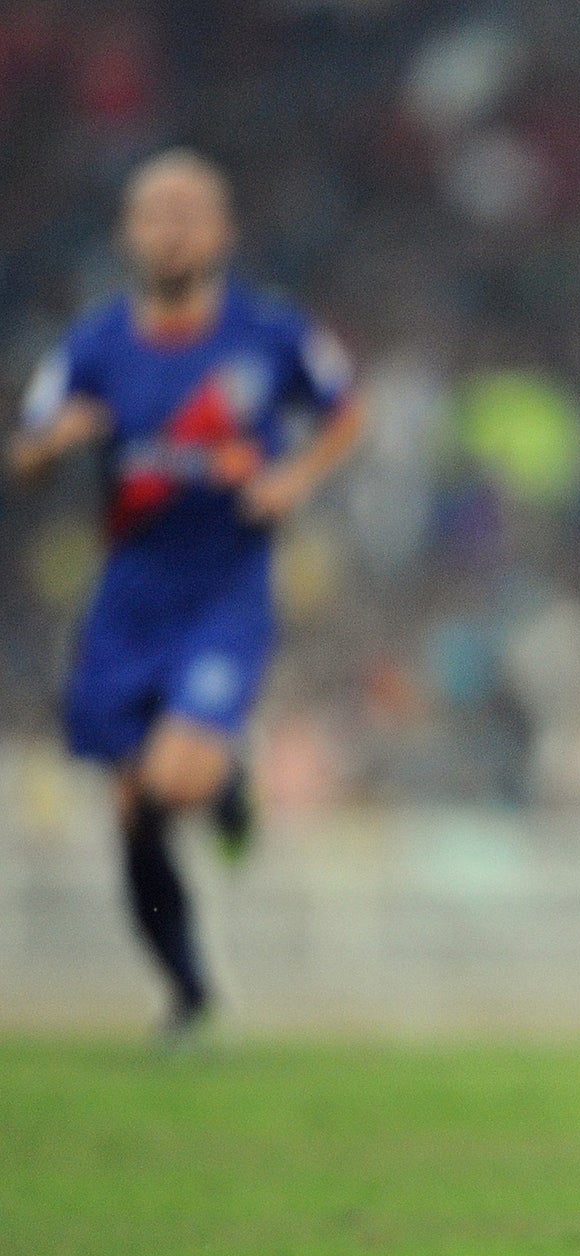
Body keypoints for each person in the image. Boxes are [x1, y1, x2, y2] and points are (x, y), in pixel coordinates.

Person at [9, 149, 361, 1043]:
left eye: (189, 211)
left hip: (224, 591)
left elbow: (346, 410)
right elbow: (26, 446)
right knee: (134, 816)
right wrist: (58, 442)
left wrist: (294, 478)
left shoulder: (266, 333)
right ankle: (188, 994)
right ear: (130, 232)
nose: (171, 229)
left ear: (223, 232)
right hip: (127, 597)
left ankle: (224, 772)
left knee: (174, 776)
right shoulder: (92, 345)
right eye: (154, 212)